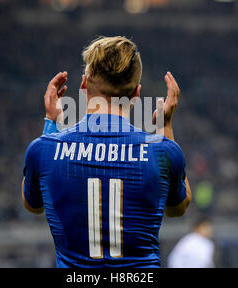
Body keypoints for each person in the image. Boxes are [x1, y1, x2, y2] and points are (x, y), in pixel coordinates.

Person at [22, 36, 192, 267]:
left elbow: (34, 204)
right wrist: (165, 128)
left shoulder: (43, 150)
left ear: (83, 85)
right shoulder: (162, 151)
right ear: (136, 94)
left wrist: (52, 121)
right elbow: (178, 208)